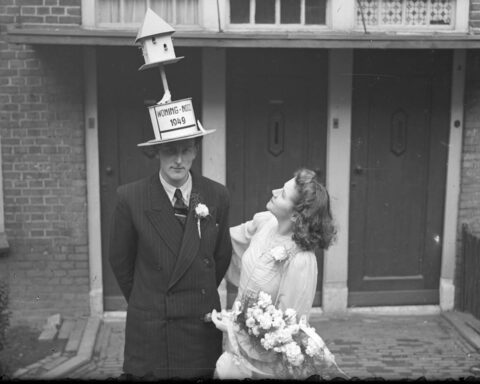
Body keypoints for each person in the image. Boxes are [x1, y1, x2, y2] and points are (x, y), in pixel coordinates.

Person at [109, 124, 232, 380]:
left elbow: (220, 256)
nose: (178, 160)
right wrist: (149, 299)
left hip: (200, 323)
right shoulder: (131, 197)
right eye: (170, 151)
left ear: (195, 151)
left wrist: (197, 287)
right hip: (153, 327)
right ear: (157, 152)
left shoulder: (217, 195)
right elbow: (120, 261)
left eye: (186, 150)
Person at [211, 168, 337, 380]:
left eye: (284, 194)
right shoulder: (264, 222)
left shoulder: (301, 261)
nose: (274, 191)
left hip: (265, 365)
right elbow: (225, 241)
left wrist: (233, 327)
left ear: (296, 214)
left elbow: (285, 330)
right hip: (235, 349)